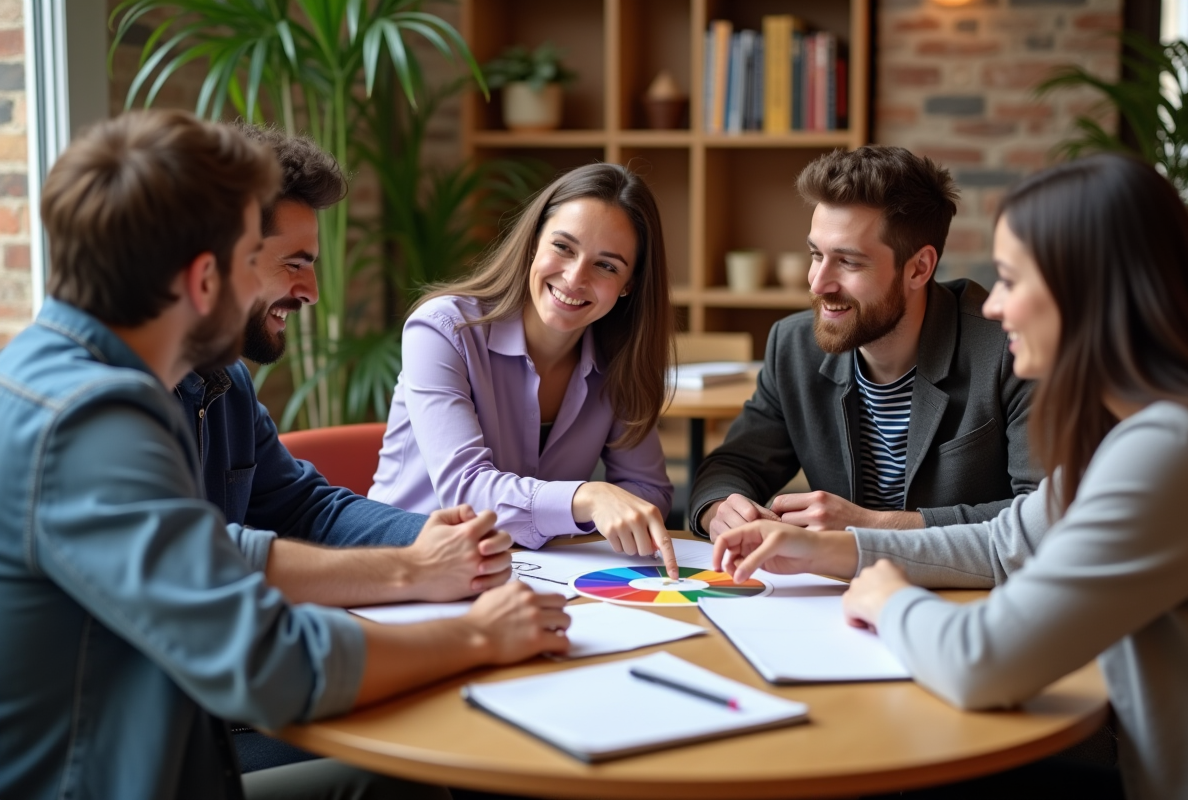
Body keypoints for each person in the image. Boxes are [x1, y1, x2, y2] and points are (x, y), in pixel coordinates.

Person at [0, 109, 571, 800]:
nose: (281, 289)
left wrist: (423, 552)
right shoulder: (87, 424)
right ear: (203, 277)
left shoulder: (96, 379)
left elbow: (242, 540)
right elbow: (268, 658)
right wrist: (477, 637)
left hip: (170, 735)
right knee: (420, 774)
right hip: (120, 773)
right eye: (254, 260)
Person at [711, 152, 1188, 800]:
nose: (994, 306)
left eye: (1010, 278)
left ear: (1085, 290)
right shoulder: (1134, 433)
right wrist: (842, 550)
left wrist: (888, 599)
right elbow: (1007, 543)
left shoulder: (1167, 449)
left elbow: (982, 662)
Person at [176, 123, 516, 773]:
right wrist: (425, 584)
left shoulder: (227, 382)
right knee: (419, 766)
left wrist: (429, 538)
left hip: (221, 702)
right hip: (174, 738)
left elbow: (306, 506)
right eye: (296, 263)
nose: (310, 293)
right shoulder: (113, 405)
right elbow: (212, 565)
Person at [690, 145, 1041, 539]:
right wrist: (721, 509)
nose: (818, 282)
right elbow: (732, 466)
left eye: (849, 261)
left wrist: (872, 528)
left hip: (962, 593)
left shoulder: (1012, 350)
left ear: (919, 268)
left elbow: (1045, 515)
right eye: (815, 254)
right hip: (836, 594)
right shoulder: (792, 346)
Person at [368, 163, 679, 575]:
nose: (574, 277)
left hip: (531, 573)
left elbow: (648, 490)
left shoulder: (619, 359)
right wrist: (587, 501)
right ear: (534, 242)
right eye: (563, 247)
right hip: (405, 572)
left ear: (629, 284)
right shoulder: (442, 330)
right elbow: (466, 492)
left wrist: (601, 507)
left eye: (606, 266)